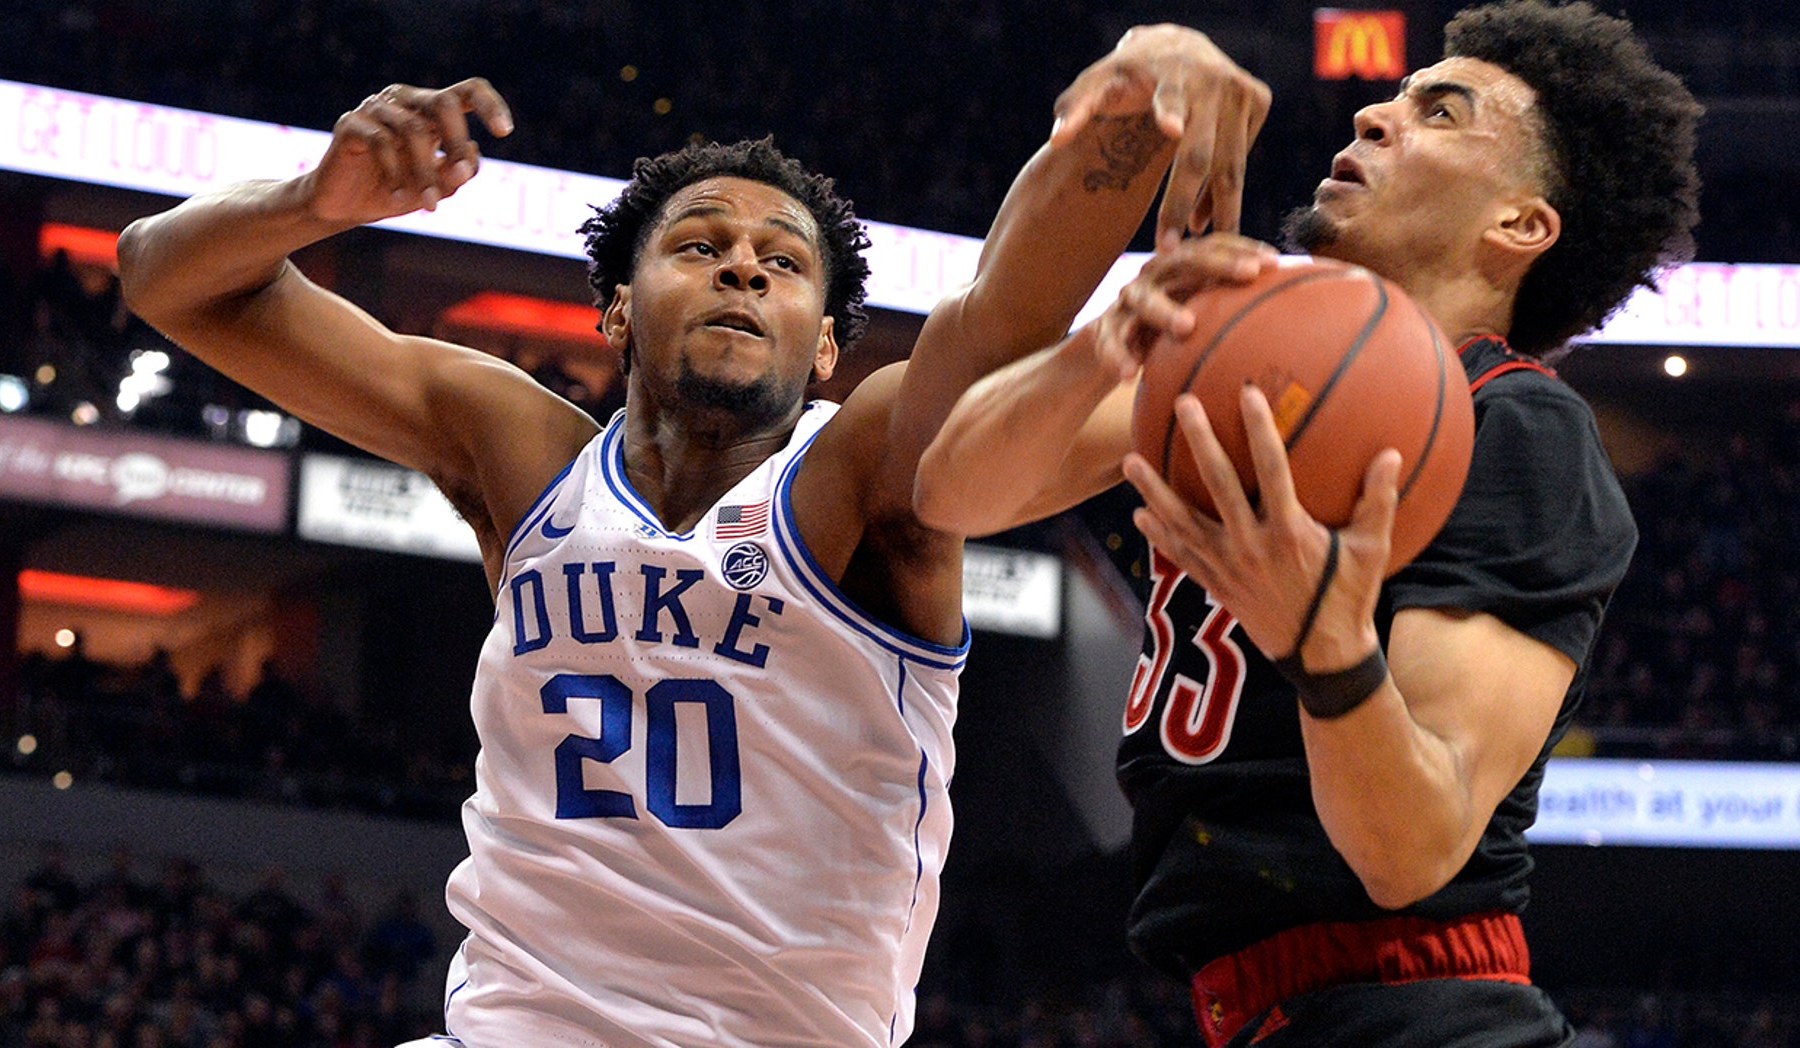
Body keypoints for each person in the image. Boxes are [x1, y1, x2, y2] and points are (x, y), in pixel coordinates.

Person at [116, 32, 1269, 1047]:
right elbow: (167, 280)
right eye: (699, 244)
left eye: (782, 263)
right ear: (617, 311)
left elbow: (996, 325)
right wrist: (313, 200)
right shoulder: (520, 456)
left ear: (823, 349)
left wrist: (1123, 120)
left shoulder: (854, 472)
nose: (741, 266)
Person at [914, 2, 1700, 1045]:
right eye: (1394, 96)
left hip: (1419, 1004)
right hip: (1263, 1008)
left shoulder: (1515, 424)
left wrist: (1324, 644)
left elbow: (1410, 848)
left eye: (1439, 111)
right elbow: (953, 493)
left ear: (1519, 224)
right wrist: (1106, 340)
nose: (1375, 113)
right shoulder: (1254, 349)